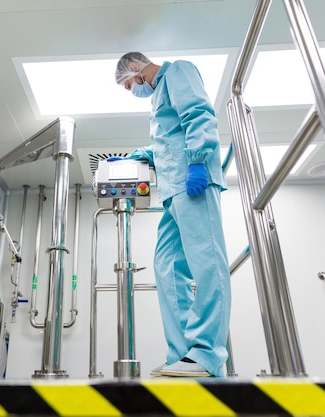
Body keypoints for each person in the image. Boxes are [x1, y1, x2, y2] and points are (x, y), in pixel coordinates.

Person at [113, 52, 231, 377]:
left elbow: (198, 114)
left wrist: (197, 160)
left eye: (128, 85)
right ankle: (182, 353)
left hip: (194, 180)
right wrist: (141, 155)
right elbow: (170, 141)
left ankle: (207, 354)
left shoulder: (178, 71)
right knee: (165, 266)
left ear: (135, 68)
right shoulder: (158, 101)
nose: (133, 91)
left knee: (207, 262)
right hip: (172, 193)